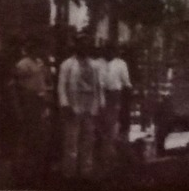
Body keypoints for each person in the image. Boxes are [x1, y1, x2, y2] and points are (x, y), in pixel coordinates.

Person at [57, 33, 103, 180]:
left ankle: (86, 172)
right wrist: (65, 104)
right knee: (71, 141)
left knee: (88, 140)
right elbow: (62, 86)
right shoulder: (67, 64)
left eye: (87, 44)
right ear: (76, 45)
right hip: (73, 106)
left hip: (89, 106)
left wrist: (100, 104)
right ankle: (69, 173)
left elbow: (98, 86)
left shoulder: (95, 65)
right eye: (81, 44)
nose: (84, 47)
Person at [13, 42, 51, 182]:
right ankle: (23, 170)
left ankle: (37, 169)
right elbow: (18, 85)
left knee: (40, 134)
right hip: (29, 99)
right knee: (28, 135)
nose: (39, 50)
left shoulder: (39, 62)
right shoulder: (23, 64)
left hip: (40, 99)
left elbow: (45, 78)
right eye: (36, 48)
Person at [100, 42, 132, 167]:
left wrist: (127, 97)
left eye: (112, 51)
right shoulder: (97, 63)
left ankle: (111, 154)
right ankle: (104, 153)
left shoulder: (121, 64)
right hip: (101, 94)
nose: (110, 53)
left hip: (115, 95)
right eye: (107, 50)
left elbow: (126, 82)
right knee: (102, 123)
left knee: (112, 123)